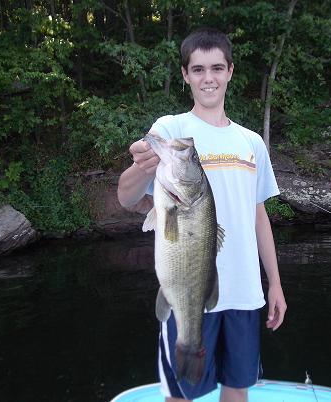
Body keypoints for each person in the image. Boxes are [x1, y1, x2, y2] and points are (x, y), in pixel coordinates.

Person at [117, 28, 287, 402]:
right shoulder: (171, 128)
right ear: (185, 75)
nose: (208, 78)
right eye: (198, 69)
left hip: (244, 292)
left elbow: (258, 216)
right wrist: (142, 166)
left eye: (216, 68)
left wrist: (274, 282)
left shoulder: (251, 142)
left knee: (237, 388)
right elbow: (126, 196)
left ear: (230, 71)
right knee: (181, 393)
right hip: (186, 289)